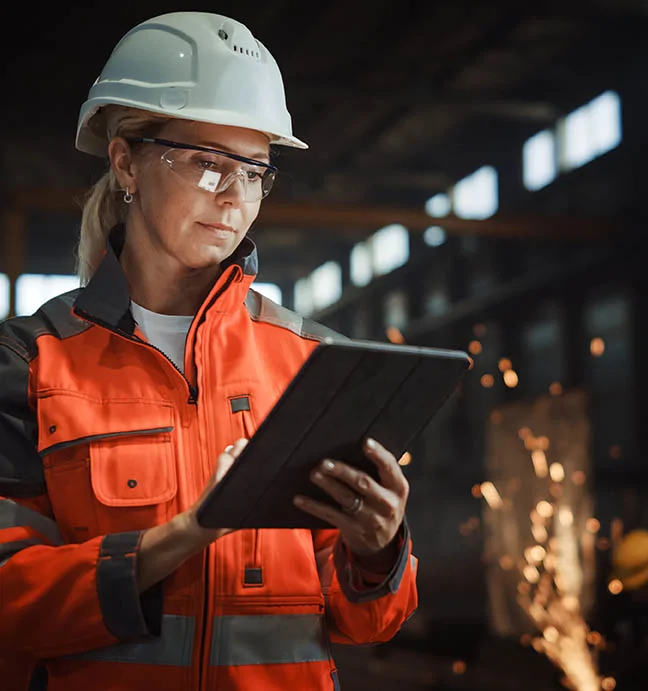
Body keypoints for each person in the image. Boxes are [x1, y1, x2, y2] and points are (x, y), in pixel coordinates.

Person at [0, 12, 418, 691]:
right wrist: (192, 529)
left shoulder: (318, 362)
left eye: (253, 170)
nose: (233, 197)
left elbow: (369, 623)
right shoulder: (29, 362)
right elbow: (11, 601)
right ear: (125, 161)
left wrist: (378, 551)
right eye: (206, 163)